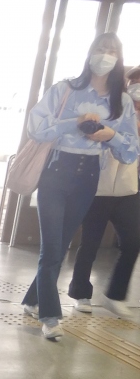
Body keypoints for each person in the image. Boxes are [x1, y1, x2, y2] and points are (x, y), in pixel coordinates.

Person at [20, 32, 139, 340]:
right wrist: (74, 122)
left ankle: (32, 299)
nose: (105, 55)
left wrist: (110, 135)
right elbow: (36, 128)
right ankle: (50, 316)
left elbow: (130, 151)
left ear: (119, 59)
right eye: (100, 49)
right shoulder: (65, 89)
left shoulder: (122, 102)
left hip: (88, 177)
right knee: (52, 248)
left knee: (60, 245)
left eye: (112, 51)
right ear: (90, 53)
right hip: (56, 171)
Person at [67, 63, 140, 317]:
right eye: (135, 83)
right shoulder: (113, 106)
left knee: (134, 241)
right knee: (90, 243)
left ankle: (115, 294)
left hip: (128, 190)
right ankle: (81, 293)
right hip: (98, 186)